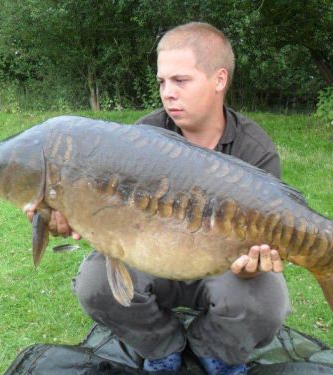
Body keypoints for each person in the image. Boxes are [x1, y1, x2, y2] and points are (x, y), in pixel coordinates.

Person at [32, 22, 291, 375]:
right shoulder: (145, 136)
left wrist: (258, 261)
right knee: (95, 284)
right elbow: (113, 210)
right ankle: (163, 346)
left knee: (267, 302)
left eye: (180, 81)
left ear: (219, 80)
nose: (167, 93)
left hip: (221, 264)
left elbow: (263, 243)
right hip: (151, 253)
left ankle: (212, 346)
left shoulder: (254, 149)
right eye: (162, 82)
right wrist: (75, 215)